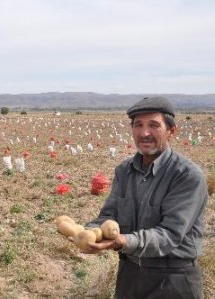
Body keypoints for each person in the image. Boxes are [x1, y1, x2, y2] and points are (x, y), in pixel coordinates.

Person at [82, 97, 208, 298]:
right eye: (138, 125)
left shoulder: (187, 176)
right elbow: (109, 215)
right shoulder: (124, 170)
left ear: (171, 131)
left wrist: (122, 241)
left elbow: (169, 234)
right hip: (130, 276)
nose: (144, 133)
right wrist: (88, 232)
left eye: (154, 125)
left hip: (173, 280)